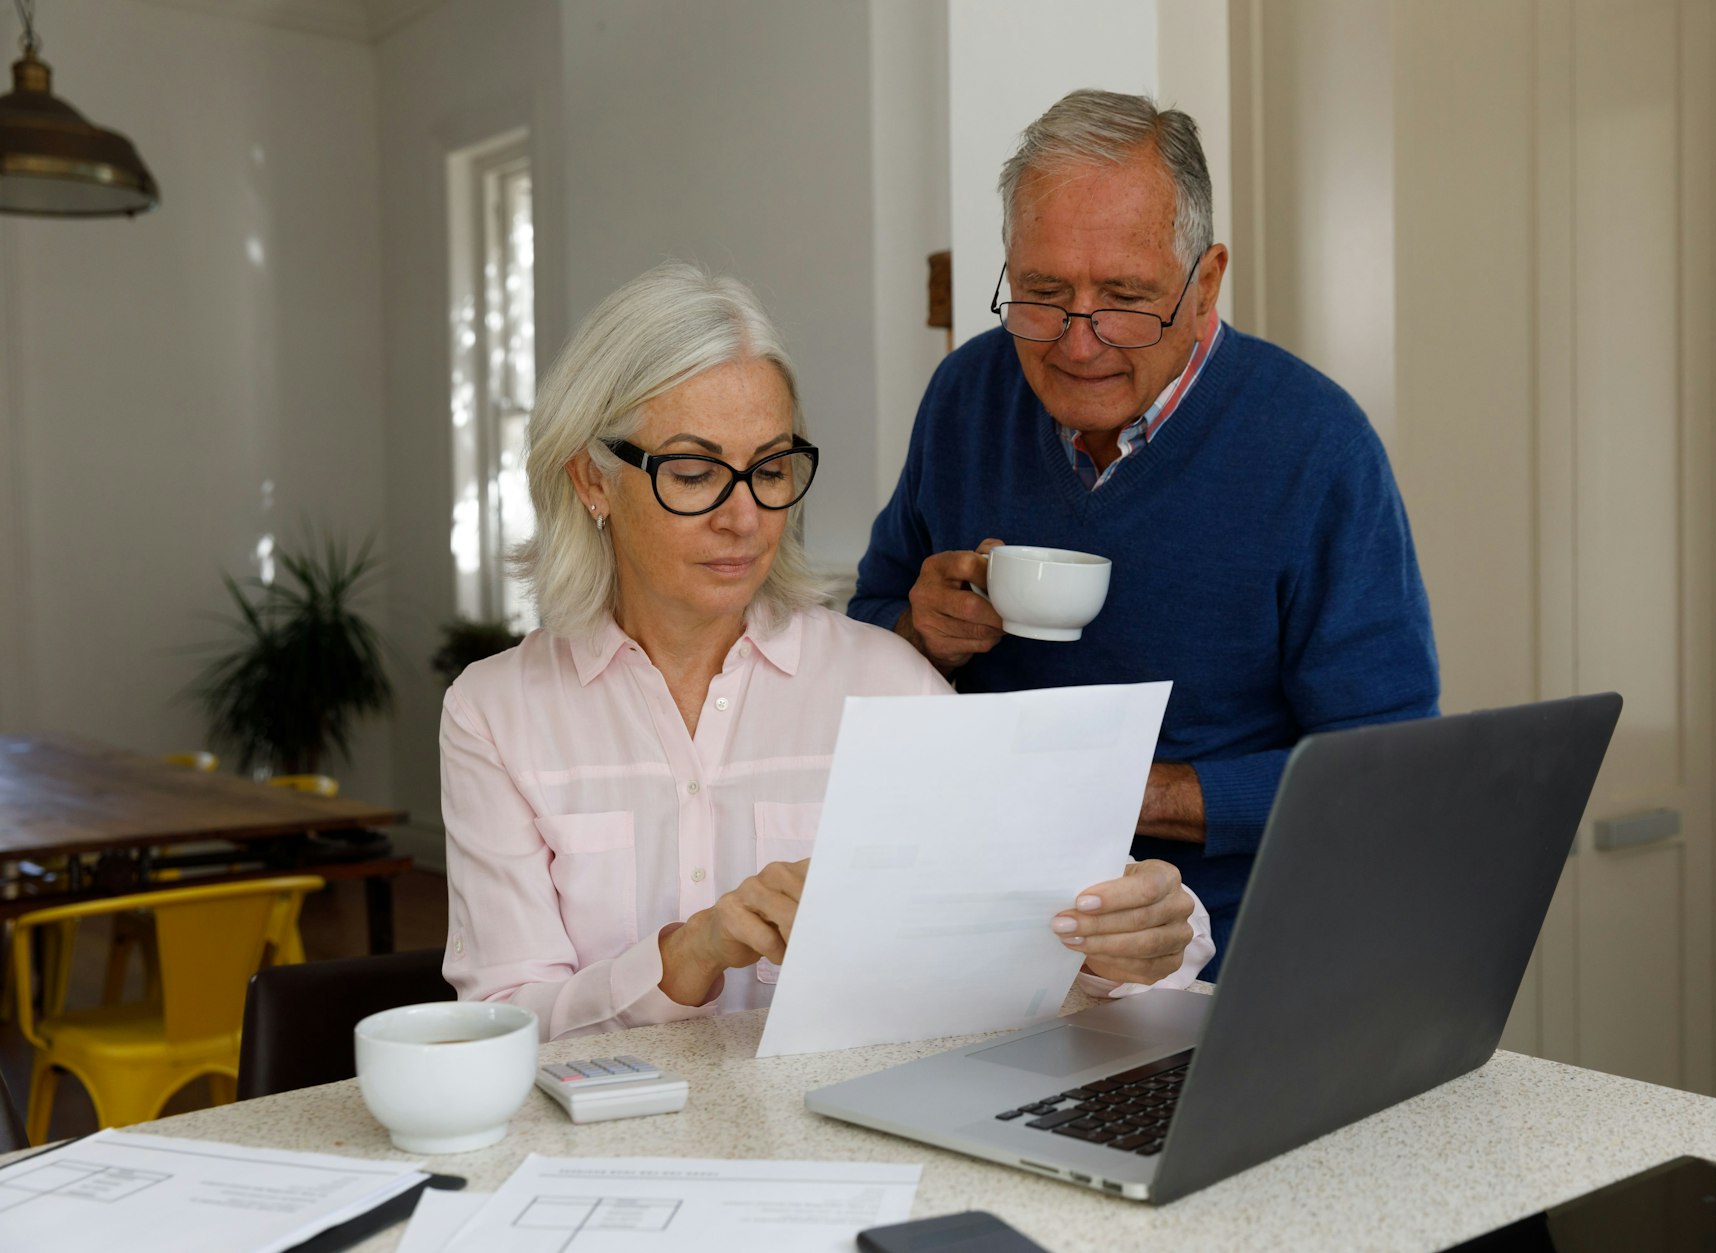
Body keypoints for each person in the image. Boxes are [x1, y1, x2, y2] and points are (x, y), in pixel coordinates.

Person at [441, 262, 1214, 1040]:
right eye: (695, 472)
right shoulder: (495, 713)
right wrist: (687, 954)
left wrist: (1134, 940)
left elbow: (1052, 938)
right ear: (592, 480)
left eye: (770, 468)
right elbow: (504, 1023)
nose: (744, 517)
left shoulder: (890, 686)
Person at [850, 91, 1441, 976]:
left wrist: (1140, 792)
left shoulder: (1315, 447)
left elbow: (1389, 770)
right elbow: (861, 638)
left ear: (1206, 286)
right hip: (981, 943)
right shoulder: (966, 396)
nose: (1078, 343)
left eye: (1125, 300)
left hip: (1232, 965)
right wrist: (918, 632)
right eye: (1043, 295)